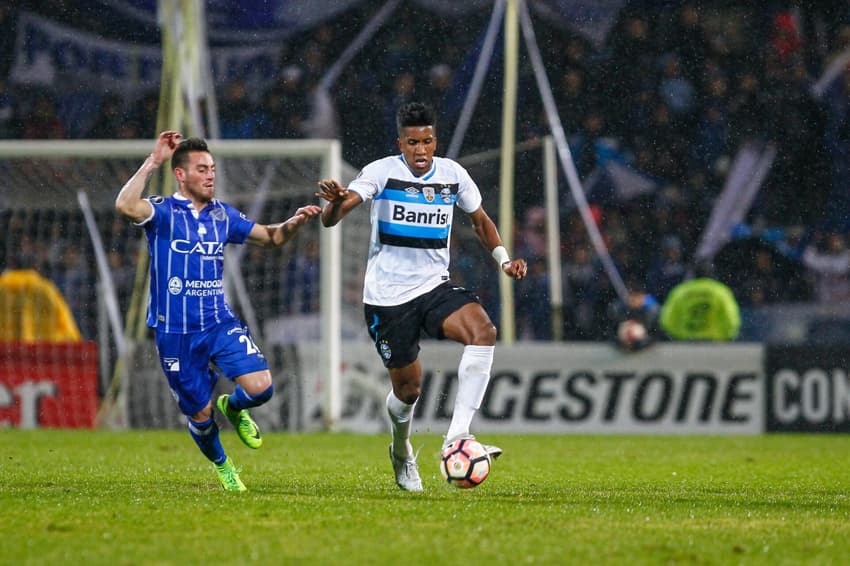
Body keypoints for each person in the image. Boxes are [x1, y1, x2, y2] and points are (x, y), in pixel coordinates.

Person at [315, 102, 527, 492]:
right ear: (401, 143)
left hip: (433, 287)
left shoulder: (452, 175)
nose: (421, 150)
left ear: (435, 142)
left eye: (427, 141)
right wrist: (333, 203)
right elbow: (334, 218)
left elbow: (480, 221)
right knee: (409, 390)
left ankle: (457, 436)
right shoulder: (381, 172)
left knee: (483, 331)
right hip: (387, 299)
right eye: (412, 142)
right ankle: (400, 451)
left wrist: (504, 260)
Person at [115, 131, 321, 491]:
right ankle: (225, 467)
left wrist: (293, 223)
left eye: (212, 168)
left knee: (261, 388)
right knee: (200, 414)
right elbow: (125, 205)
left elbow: (271, 237)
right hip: (175, 333)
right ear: (181, 175)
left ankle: (235, 407)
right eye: (202, 169)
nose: (211, 175)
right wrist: (154, 161)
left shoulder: (222, 215)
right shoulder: (163, 212)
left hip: (217, 323)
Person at [659, 263, 741, 341]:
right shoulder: (720, 291)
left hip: (686, 343)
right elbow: (731, 318)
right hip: (714, 344)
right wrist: (727, 336)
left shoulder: (681, 291)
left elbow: (667, 320)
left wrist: (676, 336)